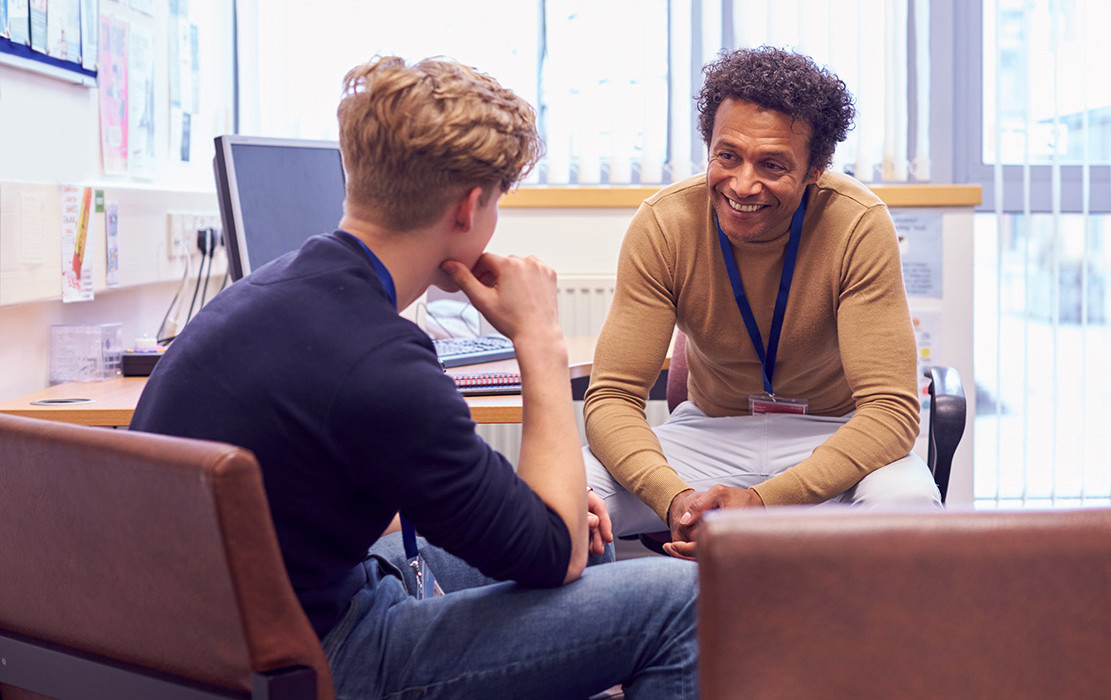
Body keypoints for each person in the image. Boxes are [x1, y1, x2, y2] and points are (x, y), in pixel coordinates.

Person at [131, 55, 697, 699]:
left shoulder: (275, 289)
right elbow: (554, 554)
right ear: (469, 207)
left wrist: (539, 516)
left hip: (208, 642)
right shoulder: (381, 362)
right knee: (684, 598)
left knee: (588, 541)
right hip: (315, 661)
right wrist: (537, 338)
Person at [583, 47, 942, 559]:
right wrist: (677, 500)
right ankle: (625, 633)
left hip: (831, 436)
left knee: (909, 508)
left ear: (815, 168)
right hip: (709, 436)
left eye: (772, 164)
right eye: (727, 155)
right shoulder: (665, 224)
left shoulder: (858, 224)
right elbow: (612, 399)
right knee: (566, 496)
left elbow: (890, 412)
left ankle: (854, 642)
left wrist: (764, 502)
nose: (743, 184)